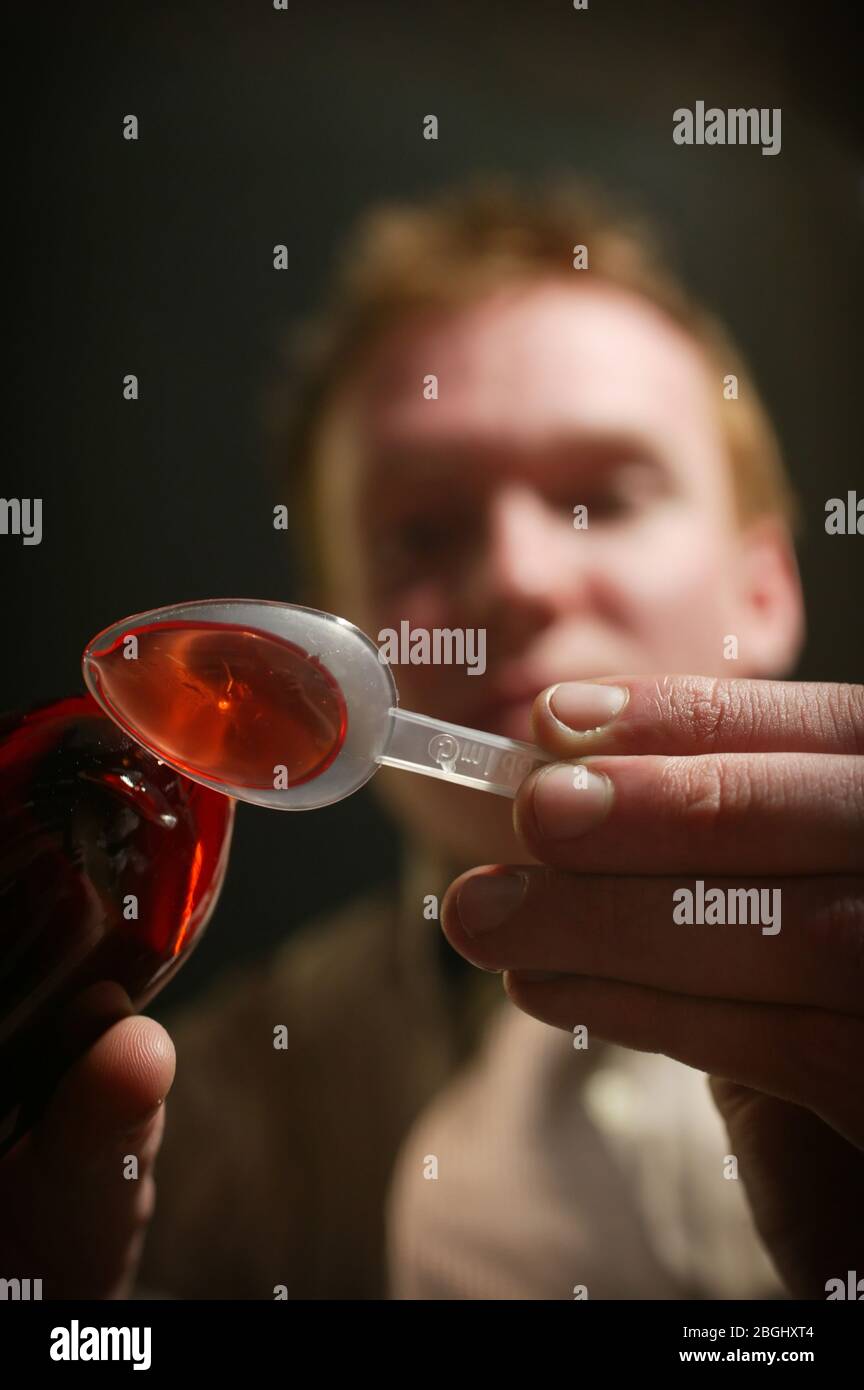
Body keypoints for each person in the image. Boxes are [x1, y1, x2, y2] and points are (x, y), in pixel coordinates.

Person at [3, 176, 860, 1300]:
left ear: (764, 586)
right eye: (422, 529)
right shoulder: (164, 1134)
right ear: (327, 638)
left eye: (601, 495)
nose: (515, 579)